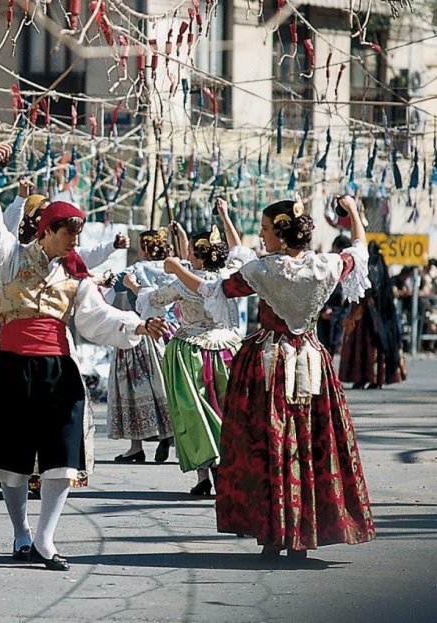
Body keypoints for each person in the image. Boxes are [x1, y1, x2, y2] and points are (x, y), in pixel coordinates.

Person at [0, 143, 166, 571]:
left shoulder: (77, 276)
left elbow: (96, 319)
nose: (76, 240)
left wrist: (137, 325)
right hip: (13, 366)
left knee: (62, 457)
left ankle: (45, 539)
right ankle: (21, 533)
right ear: (46, 231)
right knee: (13, 460)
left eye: (78, 233)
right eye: (68, 233)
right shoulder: (12, 259)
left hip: (58, 370)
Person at [163, 194, 375, 559]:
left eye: (263, 229)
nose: (261, 236)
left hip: (268, 366)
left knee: (269, 445)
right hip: (312, 362)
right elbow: (359, 251)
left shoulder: (263, 270)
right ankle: (302, 534)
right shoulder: (325, 265)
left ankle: (273, 533)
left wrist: (176, 268)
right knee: (308, 444)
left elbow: (213, 289)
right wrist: (353, 210)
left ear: (280, 234)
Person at [0, 179, 129, 490]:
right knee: (11, 428)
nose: (72, 237)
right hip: (14, 348)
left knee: (60, 426)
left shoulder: (70, 262)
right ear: (42, 226)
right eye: (42, 213)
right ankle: (14, 483)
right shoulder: (15, 254)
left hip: (55, 351)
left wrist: (108, 258)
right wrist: (7, 191)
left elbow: (86, 277)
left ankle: (51, 481)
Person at [122, 199, 242, 495]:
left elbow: (155, 300)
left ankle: (204, 474)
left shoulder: (184, 283)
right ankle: (228, 467)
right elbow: (239, 250)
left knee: (194, 412)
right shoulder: (230, 276)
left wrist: (134, 286)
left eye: (190, 253)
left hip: (192, 353)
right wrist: (225, 217)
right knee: (227, 409)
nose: (185, 257)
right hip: (228, 350)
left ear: (199, 259)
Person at [107, 229, 176, 464]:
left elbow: (110, 285)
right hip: (169, 334)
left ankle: (136, 445)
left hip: (140, 333)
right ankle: (167, 433)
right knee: (166, 387)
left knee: (132, 389)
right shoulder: (176, 268)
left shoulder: (135, 270)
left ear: (144, 249)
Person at [339, 241, 407, 389]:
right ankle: (366, 378)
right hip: (369, 316)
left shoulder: (373, 269)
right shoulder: (379, 269)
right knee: (367, 346)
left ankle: (374, 378)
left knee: (373, 346)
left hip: (369, 315)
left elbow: (369, 290)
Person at [316, 235, 352, 356]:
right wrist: (324, 309)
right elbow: (317, 288)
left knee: (334, 346)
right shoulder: (323, 263)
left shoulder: (345, 264)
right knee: (324, 347)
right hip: (326, 310)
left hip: (339, 312)